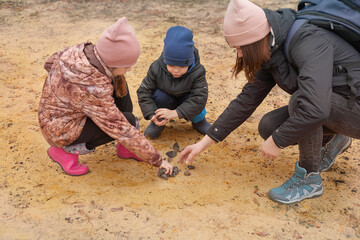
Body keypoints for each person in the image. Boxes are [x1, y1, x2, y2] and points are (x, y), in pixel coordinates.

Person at [178, 0, 360, 204]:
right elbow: (246, 100)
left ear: (254, 39)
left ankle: (309, 179)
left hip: (354, 106)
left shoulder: (307, 40)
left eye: (240, 47)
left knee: (302, 103)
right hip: (335, 102)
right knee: (269, 126)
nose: (239, 54)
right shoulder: (272, 47)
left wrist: (278, 141)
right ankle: (335, 140)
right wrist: (204, 143)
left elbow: (315, 108)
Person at [38, 17, 173, 176]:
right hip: (60, 130)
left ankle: (125, 149)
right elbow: (120, 128)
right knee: (128, 121)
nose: (129, 70)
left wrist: (69, 96)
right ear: (114, 61)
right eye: (127, 66)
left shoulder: (80, 51)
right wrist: (157, 159)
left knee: (119, 82)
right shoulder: (94, 89)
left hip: (55, 113)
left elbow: (49, 63)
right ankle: (64, 152)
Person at [137, 26, 211, 139]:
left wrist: (176, 113)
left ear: (190, 62)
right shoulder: (156, 68)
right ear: (165, 60)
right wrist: (151, 113)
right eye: (171, 65)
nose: (176, 70)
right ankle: (159, 121)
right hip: (166, 99)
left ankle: (199, 121)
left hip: (186, 100)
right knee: (160, 96)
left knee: (195, 99)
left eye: (181, 66)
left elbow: (200, 98)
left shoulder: (198, 71)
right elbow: (144, 92)